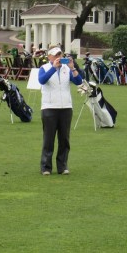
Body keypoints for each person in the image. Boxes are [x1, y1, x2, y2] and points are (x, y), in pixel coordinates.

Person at [38, 46, 88, 175]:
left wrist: (73, 68)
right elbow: (42, 80)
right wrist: (54, 68)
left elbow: (78, 82)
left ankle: (62, 166)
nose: (58, 57)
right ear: (49, 56)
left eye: (60, 55)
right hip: (49, 107)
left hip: (66, 107)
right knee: (48, 139)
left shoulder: (66, 68)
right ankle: (46, 167)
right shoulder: (44, 68)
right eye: (55, 55)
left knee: (64, 139)